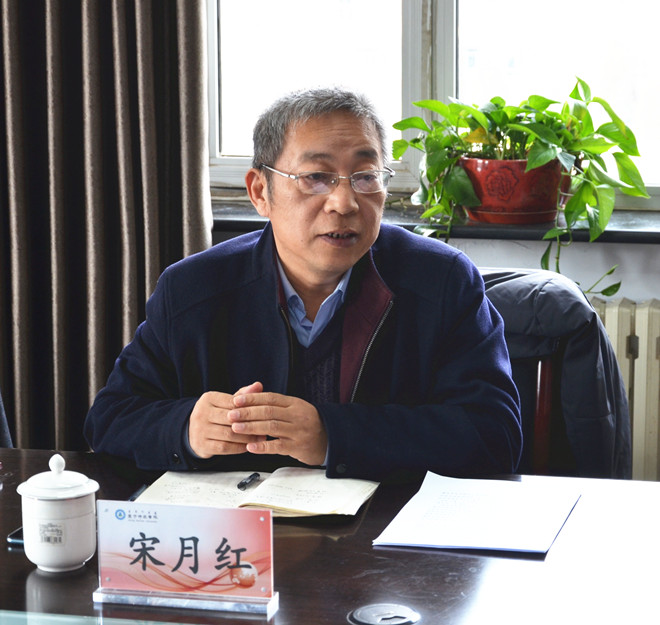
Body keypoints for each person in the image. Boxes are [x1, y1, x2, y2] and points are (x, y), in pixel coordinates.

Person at [84, 87, 522, 482]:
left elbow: (495, 434)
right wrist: (185, 428)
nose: (344, 202)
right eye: (316, 177)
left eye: (365, 176)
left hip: (385, 535)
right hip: (239, 534)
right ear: (260, 192)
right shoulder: (193, 288)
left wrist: (332, 436)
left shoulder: (443, 281)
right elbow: (110, 420)